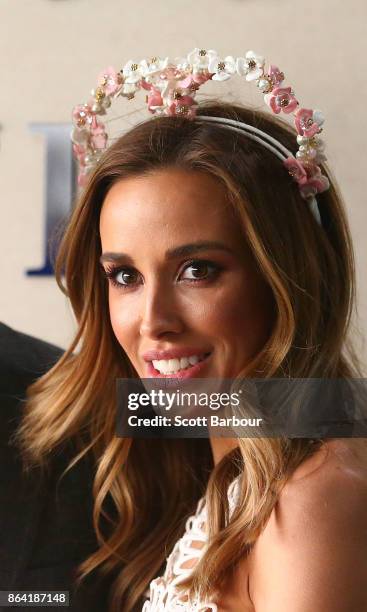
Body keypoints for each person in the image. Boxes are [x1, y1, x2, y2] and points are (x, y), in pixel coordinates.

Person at [12, 48, 367, 611]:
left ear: (289, 274)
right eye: (124, 275)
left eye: (197, 270)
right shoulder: (235, 481)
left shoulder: (314, 496)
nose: (153, 320)